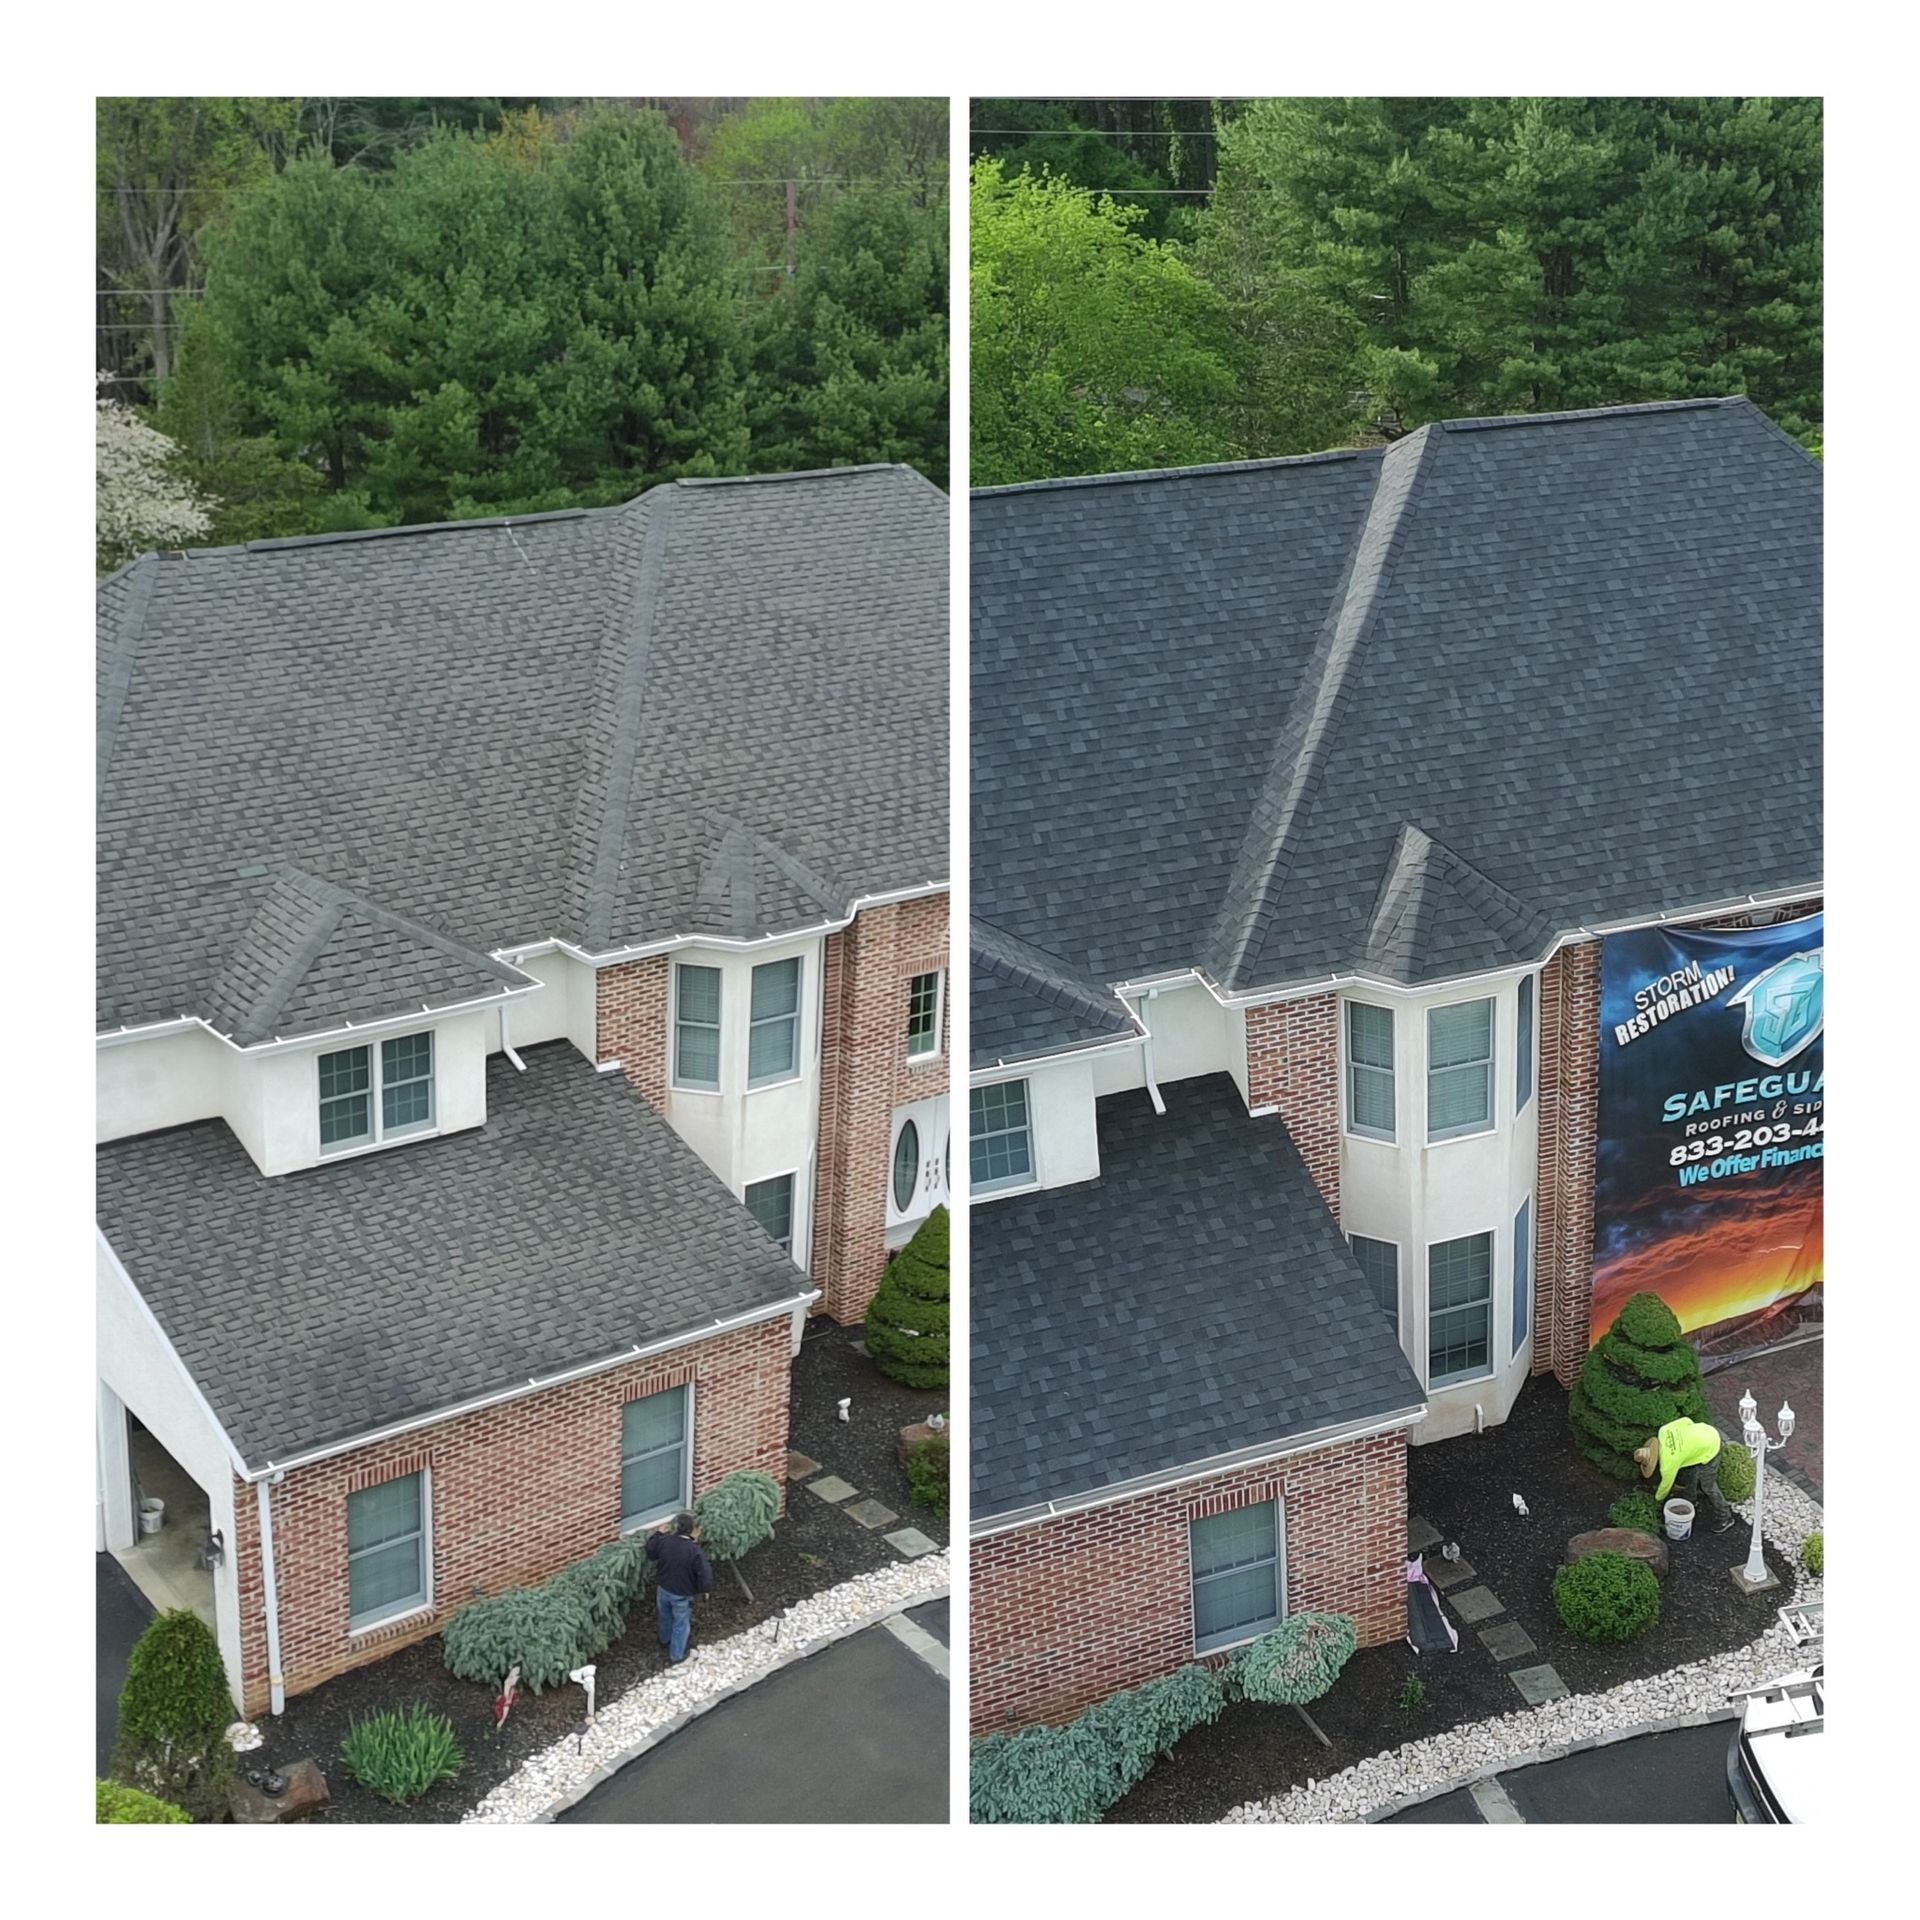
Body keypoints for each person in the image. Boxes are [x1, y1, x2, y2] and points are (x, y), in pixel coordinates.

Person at [1634, 1416, 1736, 1531]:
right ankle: (1690, 1500)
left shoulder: (1667, 1464)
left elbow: (1665, 1487)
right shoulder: (1663, 1431)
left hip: (1711, 1447)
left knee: (1708, 1485)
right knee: (1691, 1471)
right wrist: (1689, 1442)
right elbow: (1686, 1421)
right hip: (1706, 1430)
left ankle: (1726, 1517)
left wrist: (1656, 1500)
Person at [645, 1511, 714, 1663]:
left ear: (676, 1527)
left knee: (665, 1616)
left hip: (663, 1589)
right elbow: (704, 1573)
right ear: (691, 1530)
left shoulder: (665, 1541)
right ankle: (677, 1655)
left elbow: (650, 1551)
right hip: (682, 1594)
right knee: (681, 1623)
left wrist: (657, 1533)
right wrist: (705, 1590)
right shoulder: (694, 1551)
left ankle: (664, 1640)